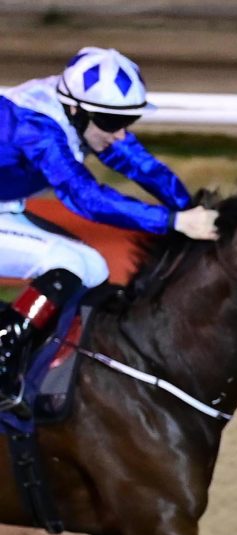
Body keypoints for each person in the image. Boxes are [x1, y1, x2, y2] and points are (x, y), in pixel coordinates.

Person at [0, 47, 221, 407]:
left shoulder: (82, 114)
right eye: (109, 122)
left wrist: (190, 208)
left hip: (6, 206)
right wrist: (173, 221)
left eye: (127, 120)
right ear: (75, 109)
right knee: (68, 263)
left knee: (93, 269)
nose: (119, 133)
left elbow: (143, 166)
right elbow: (85, 197)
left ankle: (39, 365)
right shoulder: (37, 126)